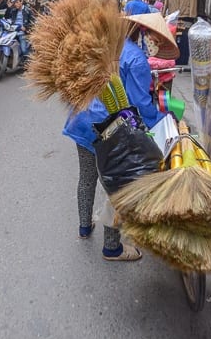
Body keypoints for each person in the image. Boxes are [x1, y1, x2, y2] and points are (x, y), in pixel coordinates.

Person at [61, 16, 164, 262]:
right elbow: (140, 102)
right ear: (141, 30)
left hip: (83, 119)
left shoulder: (104, 45)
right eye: (150, 33)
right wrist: (160, 121)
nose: (152, 39)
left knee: (87, 177)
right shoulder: (137, 58)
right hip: (112, 128)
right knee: (116, 185)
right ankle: (112, 248)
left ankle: (85, 228)